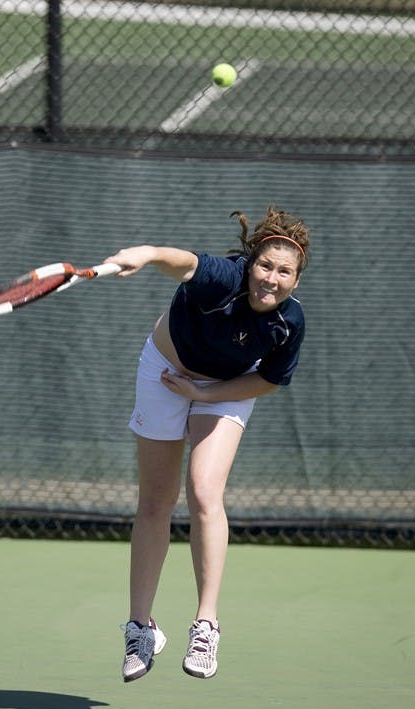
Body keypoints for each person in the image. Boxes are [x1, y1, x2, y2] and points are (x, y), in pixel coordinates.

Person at [104, 205, 310, 682]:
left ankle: (206, 624)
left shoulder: (289, 324)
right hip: (164, 369)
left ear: (296, 281)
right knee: (155, 500)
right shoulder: (224, 278)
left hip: (227, 386)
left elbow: (269, 381)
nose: (271, 279)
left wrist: (206, 394)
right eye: (265, 265)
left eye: (284, 272)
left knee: (203, 491)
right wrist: (149, 253)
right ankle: (141, 628)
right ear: (250, 263)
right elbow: (185, 263)